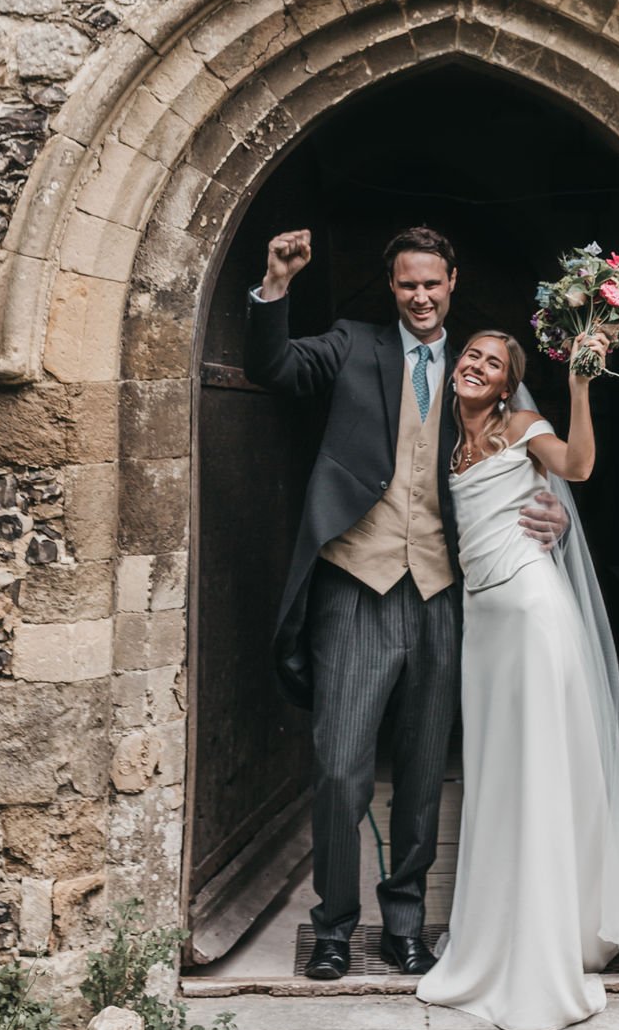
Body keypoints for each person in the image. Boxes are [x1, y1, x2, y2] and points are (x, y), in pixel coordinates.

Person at [243, 227, 568, 981]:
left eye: (432, 283)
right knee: (338, 769)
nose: (419, 297)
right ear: (389, 287)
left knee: (423, 771)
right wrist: (275, 287)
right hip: (356, 583)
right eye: (405, 285)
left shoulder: (477, 369)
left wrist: (545, 508)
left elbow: (526, 459)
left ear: (453, 281)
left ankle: (405, 923)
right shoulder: (354, 345)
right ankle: (332, 926)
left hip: (445, 595)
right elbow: (272, 366)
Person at [416, 329, 619, 1030]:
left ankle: (542, 956)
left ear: (506, 385)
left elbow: (576, 467)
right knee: (497, 780)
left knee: (539, 774)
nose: (475, 366)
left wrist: (579, 383)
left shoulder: (522, 426)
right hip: (484, 626)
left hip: (530, 611)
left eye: (492, 363)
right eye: (470, 355)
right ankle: (494, 937)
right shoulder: (444, 442)